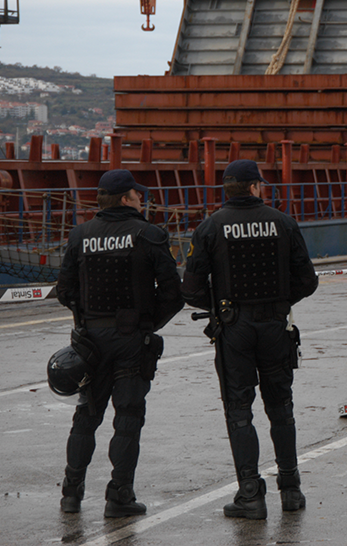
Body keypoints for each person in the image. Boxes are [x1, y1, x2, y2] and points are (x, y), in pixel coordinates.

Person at [181, 159, 319, 520]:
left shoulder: (210, 227)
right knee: (281, 408)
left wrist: (222, 305)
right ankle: (291, 489)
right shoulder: (284, 222)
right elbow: (308, 280)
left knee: (239, 412)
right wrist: (279, 302)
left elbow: (191, 290)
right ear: (256, 186)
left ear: (227, 189)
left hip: (234, 328)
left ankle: (250, 495)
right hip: (275, 326)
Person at [55, 169, 184, 517]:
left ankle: (71, 494)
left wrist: (86, 320)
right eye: (138, 195)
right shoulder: (150, 234)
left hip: (90, 341)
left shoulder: (80, 235)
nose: (142, 200)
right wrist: (146, 323)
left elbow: (64, 291)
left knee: (86, 417)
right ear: (126, 198)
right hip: (131, 340)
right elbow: (173, 293)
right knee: (127, 417)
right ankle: (119, 497)